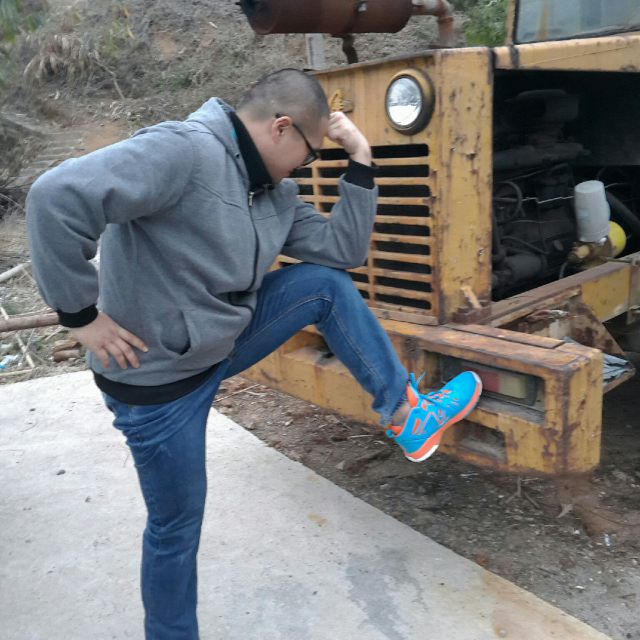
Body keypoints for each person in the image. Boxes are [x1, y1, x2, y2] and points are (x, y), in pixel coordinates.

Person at [26, 68, 482, 639]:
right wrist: (80, 316)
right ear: (281, 128)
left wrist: (361, 160)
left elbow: (343, 250)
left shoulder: (274, 194)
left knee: (324, 285)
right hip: (159, 381)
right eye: (309, 156)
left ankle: (406, 414)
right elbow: (55, 198)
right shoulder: (182, 152)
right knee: (175, 528)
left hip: (217, 343)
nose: (305, 168)